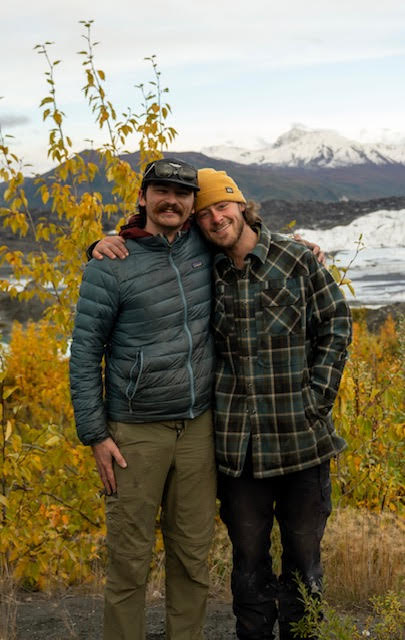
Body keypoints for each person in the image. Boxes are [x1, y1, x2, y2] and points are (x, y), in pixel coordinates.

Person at [89, 164, 343, 640]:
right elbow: (143, 252)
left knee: (300, 561)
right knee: (245, 562)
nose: (213, 218)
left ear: (241, 205)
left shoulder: (290, 258)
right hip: (235, 446)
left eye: (221, 205)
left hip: (300, 438)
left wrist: (317, 397)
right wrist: (100, 242)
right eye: (203, 212)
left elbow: (335, 324)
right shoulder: (199, 261)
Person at [69, 158, 217, 640]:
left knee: (193, 558)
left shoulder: (204, 243)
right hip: (134, 434)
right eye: (162, 190)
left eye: (182, 192)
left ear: (194, 201)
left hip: (198, 430)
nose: (171, 200)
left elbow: (248, 235)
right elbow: (85, 354)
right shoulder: (110, 264)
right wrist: (95, 435)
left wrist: (302, 247)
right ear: (143, 195)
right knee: (129, 564)